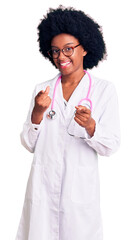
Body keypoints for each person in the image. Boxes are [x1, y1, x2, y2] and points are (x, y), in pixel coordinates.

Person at [15, 5, 120, 240]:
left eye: (68, 49)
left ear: (85, 49)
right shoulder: (42, 90)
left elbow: (111, 145)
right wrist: (37, 113)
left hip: (79, 197)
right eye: (55, 51)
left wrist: (91, 126)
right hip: (42, 192)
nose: (61, 56)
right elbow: (29, 144)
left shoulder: (103, 91)